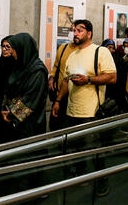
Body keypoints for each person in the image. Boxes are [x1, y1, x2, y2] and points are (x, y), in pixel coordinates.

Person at [52, 19, 116, 197]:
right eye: (74, 30)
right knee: (75, 147)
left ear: (89, 33)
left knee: (95, 150)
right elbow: (65, 81)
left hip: (92, 111)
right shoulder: (72, 55)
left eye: (80, 30)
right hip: (72, 110)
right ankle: (81, 176)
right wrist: (58, 101)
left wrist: (88, 80)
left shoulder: (100, 51)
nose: (76, 33)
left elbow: (112, 77)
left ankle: (101, 181)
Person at [1, 33, 48, 141]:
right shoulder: (20, 66)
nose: (11, 52)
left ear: (24, 49)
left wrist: (10, 116)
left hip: (30, 124)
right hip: (14, 121)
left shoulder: (38, 71)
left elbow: (32, 99)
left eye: (14, 49)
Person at [48, 26, 77, 131]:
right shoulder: (63, 47)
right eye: (71, 30)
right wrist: (51, 77)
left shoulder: (82, 50)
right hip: (59, 96)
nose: (73, 33)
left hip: (74, 98)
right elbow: (56, 66)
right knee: (55, 126)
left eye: (76, 30)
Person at [102, 38, 126, 114]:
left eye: (113, 48)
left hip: (115, 93)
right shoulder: (99, 58)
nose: (111, 50)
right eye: (109, 47)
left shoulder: (118, 59)